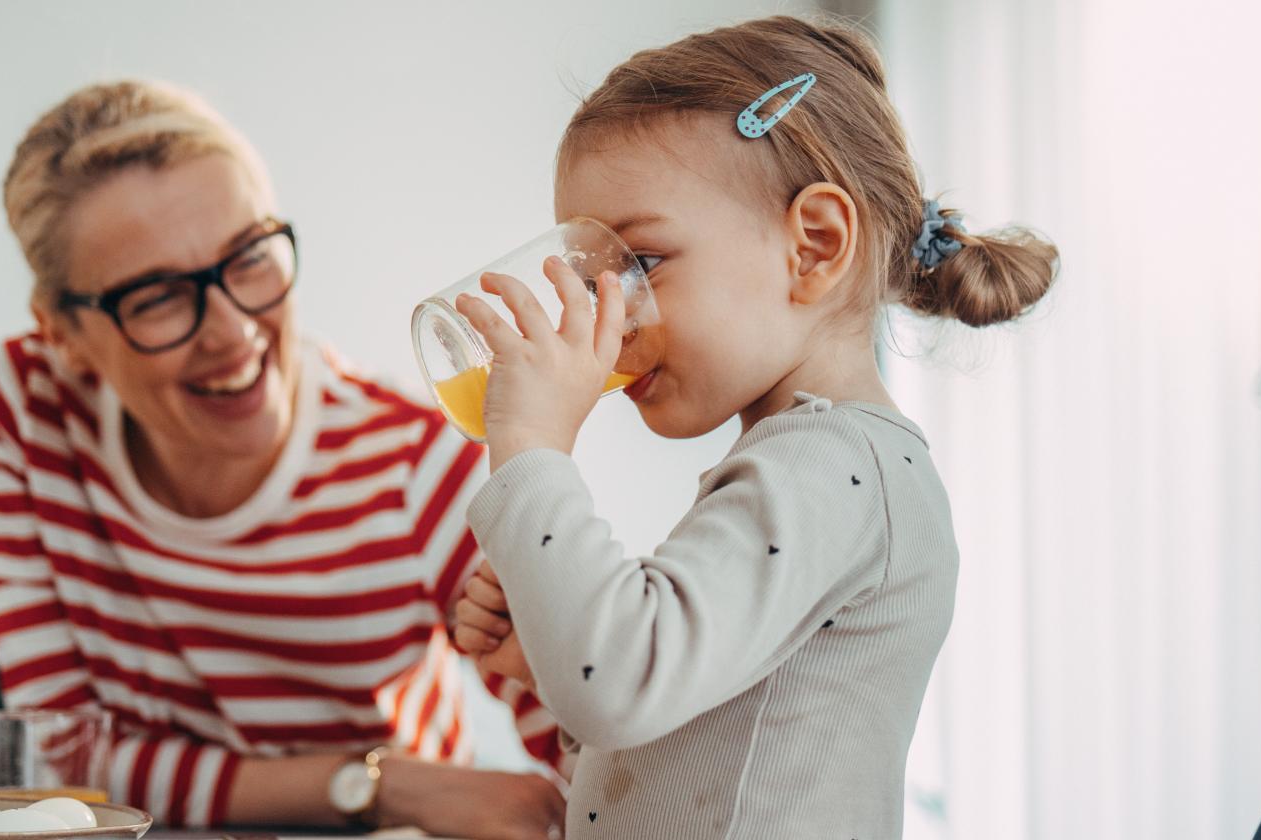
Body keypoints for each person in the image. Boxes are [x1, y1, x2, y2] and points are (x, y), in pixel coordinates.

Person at [450, 15, 1057, 839]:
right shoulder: (811, 464)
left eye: (642, 264)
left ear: (813, 245)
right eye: (592, 276)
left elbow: (620, 680)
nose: (609, 317)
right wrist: (556, 650)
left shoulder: (835, 469)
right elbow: (692, 748)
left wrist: (531, 448)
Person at [0, 80, 566, 838]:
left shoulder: (411, 463)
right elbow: (65, 758)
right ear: (62, 333)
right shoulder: (17, 407)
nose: (232, 329)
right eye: (156, 298)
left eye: (248, 257)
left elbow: (600, 745)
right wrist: (377, 785)